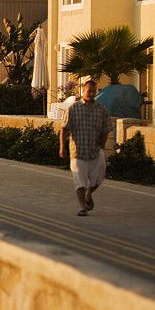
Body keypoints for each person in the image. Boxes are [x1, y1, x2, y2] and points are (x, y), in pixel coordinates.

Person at [59, 79, 114, 217]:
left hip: (95, 150)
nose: (91, 93)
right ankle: (83, 207)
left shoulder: (101, 110)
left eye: (93, 91)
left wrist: (102, 145)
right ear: (83, 91)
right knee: (79, 181)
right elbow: (64, 129)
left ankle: (89, 194)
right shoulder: (73, 108)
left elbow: (106, 129)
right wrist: (62, 147)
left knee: (99, 178)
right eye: (89, 91)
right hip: (77, 151)